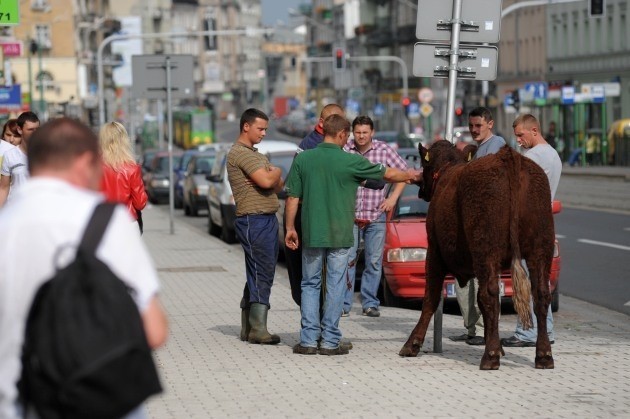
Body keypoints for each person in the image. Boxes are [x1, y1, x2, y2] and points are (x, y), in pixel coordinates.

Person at [0, 117, 168, 419]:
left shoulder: (5, 228)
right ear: (83, 161)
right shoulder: (106, 222)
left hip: (20, 402)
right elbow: (154, 331)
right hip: (101, 396)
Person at [285, 114, 419, 355]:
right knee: (336, 285)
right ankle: (329, 341)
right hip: (340, 234)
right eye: (347, 134)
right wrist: (414, 175)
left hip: (312, 233)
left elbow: (292, 198)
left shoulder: (303, 159)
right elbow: (389, 174)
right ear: (340, 134)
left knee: (310, 284)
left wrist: (290, 228)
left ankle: (307, 340)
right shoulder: (349, 160)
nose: (349, 139)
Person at [502, 113, 561, 348]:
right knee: (540, 281)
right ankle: (546, 331)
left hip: (527, 225)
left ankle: (526, 332)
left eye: (520, 135)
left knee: (525, 279)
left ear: (534, 130)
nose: (518, 140)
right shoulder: (553, 155)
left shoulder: (533, 156)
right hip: (544, 223)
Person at [449, 107, 506, 346]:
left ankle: (485, 330)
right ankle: (472, 328)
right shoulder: (477, 149)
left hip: (487, 223)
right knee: (465, 280)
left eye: (478, 126)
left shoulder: (497, 145)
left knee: (485, 278)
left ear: (490, 124)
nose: (473, 130)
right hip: (471, 223)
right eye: (471, 126)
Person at [342, 115, 408, 318]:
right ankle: (343, 303)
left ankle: (369, 303)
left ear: (372, 133)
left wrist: (393, 198)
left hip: (376, 215)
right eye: (358, 132)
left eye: (365, 132)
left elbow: (403, 173)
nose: (361, 136)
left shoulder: (384, 150)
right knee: (347, 260)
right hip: (350, 215)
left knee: (373, 261)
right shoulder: (345, 150)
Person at [229, 108, 284, 345]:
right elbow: (266, 180)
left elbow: (277, 186)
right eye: (260, 128)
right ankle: (258, 328)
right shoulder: (241, 154)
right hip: (254, 219)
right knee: (262, 270)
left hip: (265, 219)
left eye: (265, 129)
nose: (263, 133)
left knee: (257, 270)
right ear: (246, 127)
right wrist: (276, 171)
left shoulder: (256, 155)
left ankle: (248, 326)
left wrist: (274, 176)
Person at [285, 103, 346, 306]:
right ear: (322, 122)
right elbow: (294, 192)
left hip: (328, 217)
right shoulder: (312, 146)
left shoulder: (337, 143)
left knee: (321, 279)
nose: (340, 126)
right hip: (314, 216)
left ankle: (317, 330)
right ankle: (319, 328)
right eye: (334, 120)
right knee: (313, 279)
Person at [99, 121, 148, 234]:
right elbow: (140, 203)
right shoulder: (132, 169)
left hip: (102, 224)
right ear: (124, 140)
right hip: (127, 222)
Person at [0, 112, 40, 207]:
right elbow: (4, 187)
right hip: (16, 210)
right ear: (20, 129)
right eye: (30, 129)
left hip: (39, 210)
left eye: (37, 129)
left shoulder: (46, 154)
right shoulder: (9, 155)